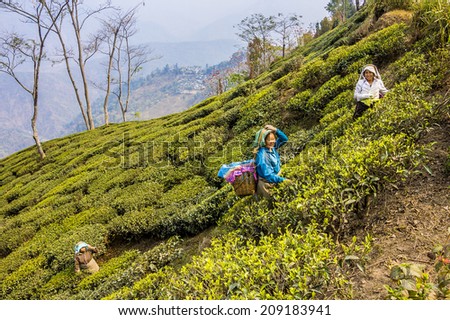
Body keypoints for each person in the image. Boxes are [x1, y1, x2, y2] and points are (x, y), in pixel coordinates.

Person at [253, 124, 289, 200]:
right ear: (263, 140)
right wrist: (284, 180)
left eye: (273, 139)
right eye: (269, 139)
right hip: (267, 185)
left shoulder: (272, 148)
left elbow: (284, 139)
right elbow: (268, 175)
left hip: (275, 180)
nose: (272, 141)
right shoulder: (262, 155)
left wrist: (275, 130)